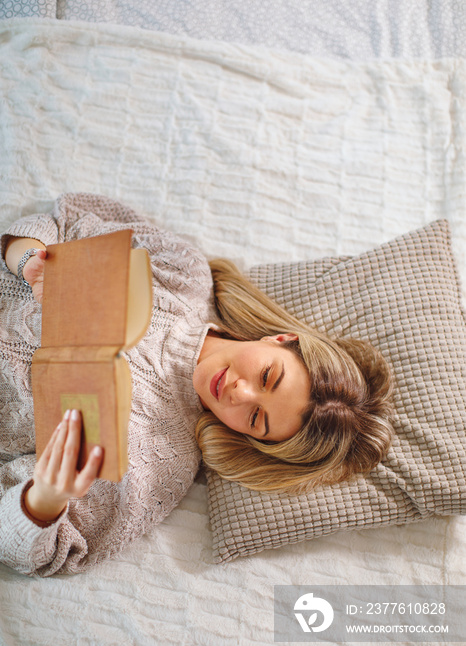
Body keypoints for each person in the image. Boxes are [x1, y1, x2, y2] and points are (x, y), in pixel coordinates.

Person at [0, 193, 394, 576]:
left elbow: (38, 551)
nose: (240, 393)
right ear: (281, 339)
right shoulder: (180, 272)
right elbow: (62, 220)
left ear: (255, 440)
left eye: (256, 418)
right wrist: (31, 260)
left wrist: (44, 499)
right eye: (267, 377)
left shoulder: (158, 465)